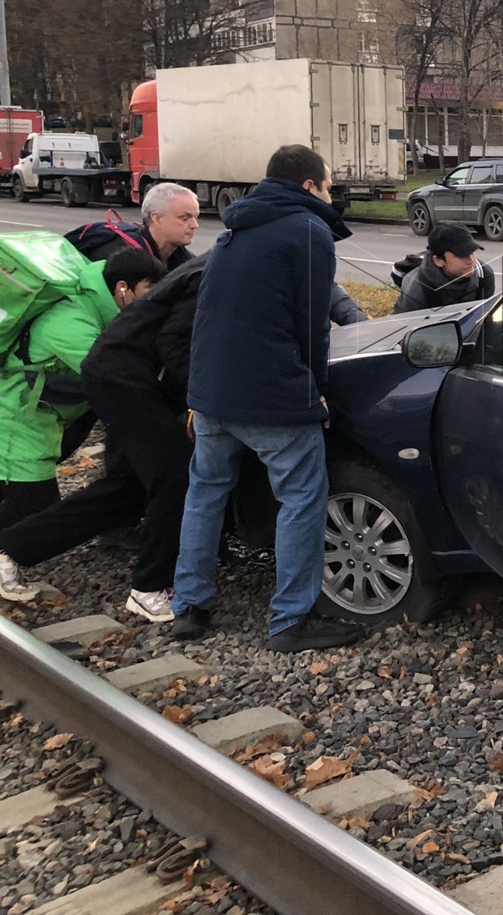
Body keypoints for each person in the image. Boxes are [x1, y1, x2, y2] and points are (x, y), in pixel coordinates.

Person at [168, 145, 365, 652]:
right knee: (301, 496)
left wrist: (197, 392)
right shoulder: (308, 231)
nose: (331, 193)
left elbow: (210, 313)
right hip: (271, 392)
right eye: (327, 184)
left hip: (212, 391)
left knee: (205, 491)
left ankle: (189, 605)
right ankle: (290, 620)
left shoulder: (237, 229)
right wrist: (314, 395)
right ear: (308, 187)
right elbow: (311, 324)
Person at [0, 256, 205, 617]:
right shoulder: (213, 272)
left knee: (126, 490)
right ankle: (149, 587)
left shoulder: (213, 262)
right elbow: (173, 343)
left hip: (130, 380)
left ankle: (11, 549)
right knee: (175, 474)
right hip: (122, 382)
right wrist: (200, 397)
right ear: (122, 288)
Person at [0, 246, 166, 558]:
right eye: (148, 291)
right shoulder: (70, 323)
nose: (153, 300)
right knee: (37, 519)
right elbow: (114, 374)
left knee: (28, 508)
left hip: (38, 422)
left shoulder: (99, 311)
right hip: (15, 422)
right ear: (122, 289)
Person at [68, 182, 201, 269]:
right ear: (157, 218)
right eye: (185, 218)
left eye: (196, 217)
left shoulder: (182, 258)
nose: (195, 225)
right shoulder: (121, 257)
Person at [392, 223, 497, 314]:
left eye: (472, 252)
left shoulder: (484, 274)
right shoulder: (418, 291)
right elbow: (416, 333)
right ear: (438, 260)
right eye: (461, 255)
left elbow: (483, 320)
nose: (471, 260)